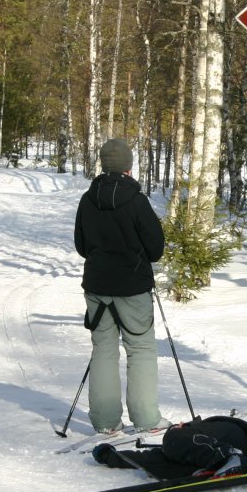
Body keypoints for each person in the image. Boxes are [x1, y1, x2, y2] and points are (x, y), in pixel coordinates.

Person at [74, 137, 165, 433]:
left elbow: (81, 245)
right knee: (140, 349)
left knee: (103, 349)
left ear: (104, 165)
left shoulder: (88, 199)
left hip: (97, 285)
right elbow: (155, 249)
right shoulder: (137, 201)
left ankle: (105, 421)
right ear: (128, 166)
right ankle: (146, 418)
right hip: (132, 286)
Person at [92, 414, 247, 479]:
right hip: (243, 451)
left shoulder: (185, 434)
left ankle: (227, 458)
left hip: (231, 436)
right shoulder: (185, 449)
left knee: (170, 439)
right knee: (163, 466)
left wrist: (181, 429)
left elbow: (179, 438)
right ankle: (227, 461)